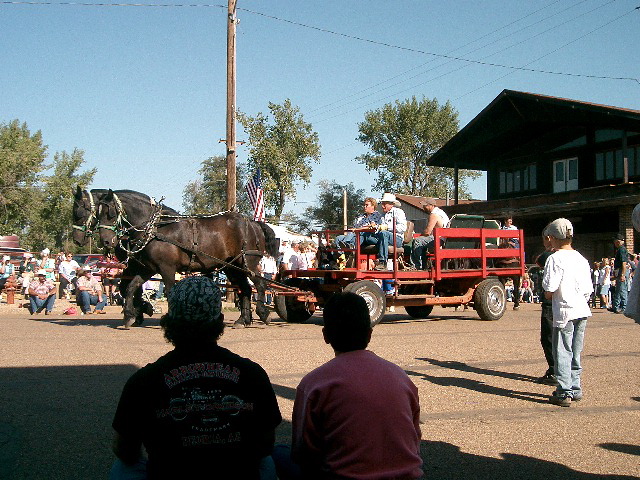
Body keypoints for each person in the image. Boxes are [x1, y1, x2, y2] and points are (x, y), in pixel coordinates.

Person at [110, 276, 282, 480]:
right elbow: (265, 444)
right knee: (272, 459)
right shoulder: (252, 374)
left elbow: (125, 449)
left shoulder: (144, 380)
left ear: (170, 321)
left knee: (122, 468)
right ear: (219, 320)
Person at [281, 291, 423, 479]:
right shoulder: (402, 378)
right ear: (370, 334)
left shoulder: (314, 384)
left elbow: (303, 454)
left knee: (278, 455)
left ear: (326, 335)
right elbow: (414, 441)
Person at [542, 218, 592, 407]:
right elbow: (588, 289)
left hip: (564, 310)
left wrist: (549, 293)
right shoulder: (581, 258)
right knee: (576, 350)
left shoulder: (555, 258)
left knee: (562, 350)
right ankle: (575, 386)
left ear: (551, 237)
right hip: (581, 309)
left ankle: (564, 391)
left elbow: (549, 289)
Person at [533, 236, 557, 386]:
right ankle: (570, 376)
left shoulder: (551, 255)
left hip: (551, 301)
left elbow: (538, 260)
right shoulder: (575, 255)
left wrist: (548, 249)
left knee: (548, 338)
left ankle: (555, 371)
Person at [361, 193, 406, 271]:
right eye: (382, 204)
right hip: (383, 238)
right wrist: (375, 227)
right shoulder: (382, 215)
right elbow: (379, 228)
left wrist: (386, 227)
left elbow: (402, 228)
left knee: (383, 233)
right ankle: (351, 253)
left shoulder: (399, 212)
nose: (382, 206)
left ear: (391, 204)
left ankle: (383, 262)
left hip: (397, 239)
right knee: (366, 235)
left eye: (384, 204)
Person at [411, 197, 450, 269]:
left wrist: (418, 236)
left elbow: (427, 232)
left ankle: (416, 266)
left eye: (425, 205)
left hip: (438, 239)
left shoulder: (434, 214)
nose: (423, 207)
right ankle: (424, 265)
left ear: (432, 205)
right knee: (422, 241)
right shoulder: (440, 212)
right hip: (442, 238)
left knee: (417, 241)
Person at [610, 233, 629, 313]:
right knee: (618, 290)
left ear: (618, 241)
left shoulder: (622, 250)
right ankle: (615, 306)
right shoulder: (620, 250)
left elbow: (624, 263)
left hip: (622, 271)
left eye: (615, 241)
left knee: (622, 290)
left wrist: (622, 275)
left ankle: (624, 307)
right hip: (620, 271)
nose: (614, 243)